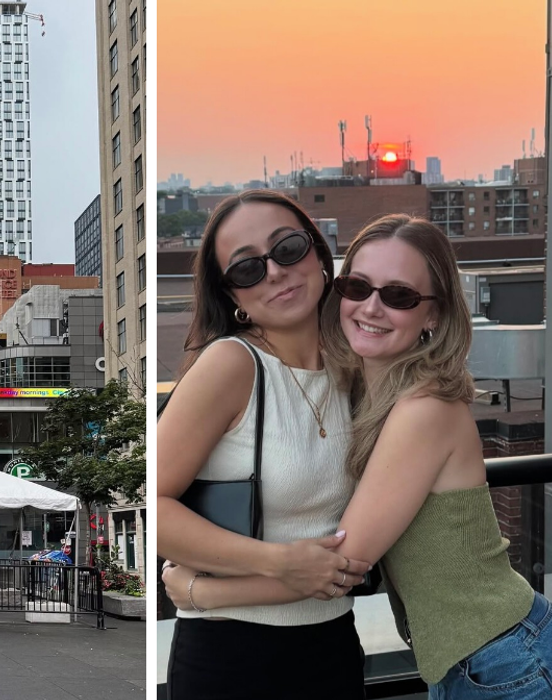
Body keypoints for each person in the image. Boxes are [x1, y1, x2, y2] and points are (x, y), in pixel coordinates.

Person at [167, 214, 552, 699]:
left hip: (514, 664)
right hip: (475, 664)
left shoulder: (424, 409)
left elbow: (340, 564)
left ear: (434, 314)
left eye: (400, 296)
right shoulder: (360, 391)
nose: (372, 307)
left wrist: (201, 592)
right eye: (359, 287)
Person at [158, 190, 370, 700]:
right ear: (232, 295)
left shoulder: (359, 365)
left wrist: (200, 588)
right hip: (231, 656)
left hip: (333, 642)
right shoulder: (231, 365)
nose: (274, 272)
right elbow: (156, 504)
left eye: (288, 248)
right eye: (247, 269)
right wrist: (275, 564)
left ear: (319, 254)